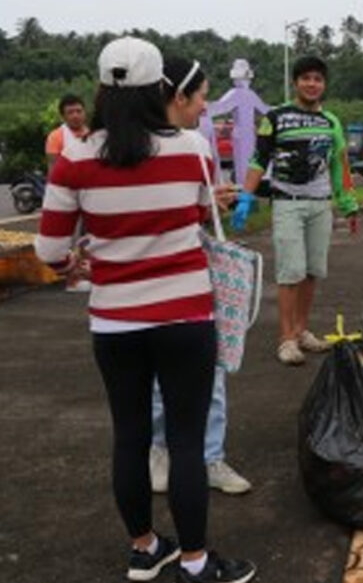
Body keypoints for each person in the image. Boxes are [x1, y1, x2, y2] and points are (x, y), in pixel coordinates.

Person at [34, 37, 255, 583]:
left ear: (103, 89)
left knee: (129, 435)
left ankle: (144, 548)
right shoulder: (190, 149)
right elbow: (201, 215)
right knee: (185, 441)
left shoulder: (74, 159)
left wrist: (76, 268)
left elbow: (49, 252)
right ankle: (198, 564)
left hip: (114, 323)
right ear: (160, 89)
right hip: (185, 319)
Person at [145, 56, 251, 499]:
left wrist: (216, 200)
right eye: (203, 96)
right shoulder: (132, 147)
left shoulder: (197, 146)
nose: (206, 107)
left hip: (194, 279)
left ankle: (210, 456)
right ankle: (159, 449)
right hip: (150, 281)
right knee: (156, 378)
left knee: (212, 372)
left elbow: (198, 210)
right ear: (179, 96)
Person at [232, 56, 359, 366]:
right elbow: (258, 159)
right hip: (287, 203)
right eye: (306, 78)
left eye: (318, 79)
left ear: (324, 84)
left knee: (312, 271)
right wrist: (246, 197)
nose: (312, 84)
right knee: (290, 272)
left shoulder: (331, 122)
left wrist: (349, 205)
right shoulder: (275, 117)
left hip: (320, 205)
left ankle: (301, 331)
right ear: (295, 82)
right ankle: (286, 339)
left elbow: (339, 165)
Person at [45, 94, 92, 292]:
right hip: (67, 195)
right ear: (63, 116)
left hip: (91, 193)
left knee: (89, 238)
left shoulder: (92, 134)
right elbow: (54, 169)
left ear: (85, 112)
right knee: (66, 239)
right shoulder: (57, 136)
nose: (75, 116)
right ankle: (72, 280)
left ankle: (88, 274)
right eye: (70, 112)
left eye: (78, 111)